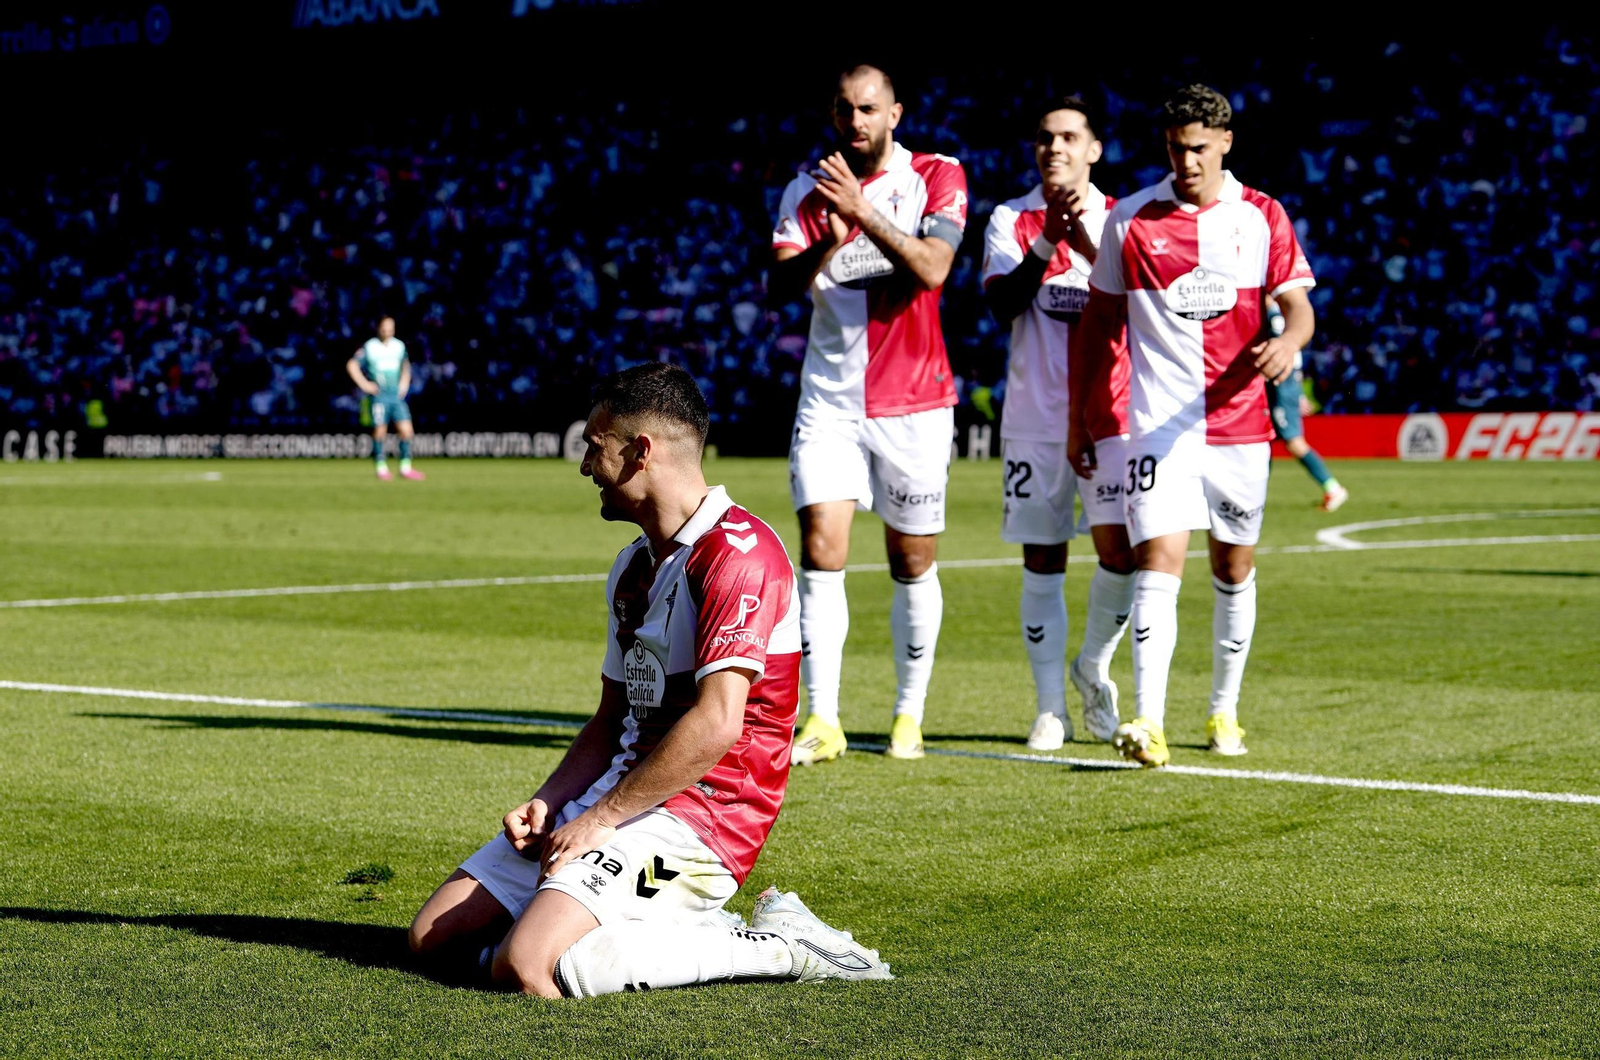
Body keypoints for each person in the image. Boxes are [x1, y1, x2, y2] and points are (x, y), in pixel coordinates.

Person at [407, 363, 891, 997]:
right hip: (626, 790)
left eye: (594, 446)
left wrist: (600, 819)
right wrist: (550, 801)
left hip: (709, 811)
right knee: (434, 939)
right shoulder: (633, 566)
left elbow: (718, 723)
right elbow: (612, 720)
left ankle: (783, 947)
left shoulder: (739, 555)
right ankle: (626, 926)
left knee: (526, 967)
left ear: (640, 452)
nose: (585, 466)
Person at [1072, 84, 1317, 766]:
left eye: (1200, 148)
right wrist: (1084, 417)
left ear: (1226, 143)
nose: (1187, 161)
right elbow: (1098, 327)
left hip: (1239, 427)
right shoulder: (1130, 219)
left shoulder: (1262, 215)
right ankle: (1147, 721)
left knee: (1233, 567)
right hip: (1156, 426)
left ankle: (1223, 708)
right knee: (1159, 560)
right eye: (1176, 148)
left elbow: (1299, 307)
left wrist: (1290, 341)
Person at [770, 63, 968, 764]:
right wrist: (827, 238)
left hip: (914, 403)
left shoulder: (937, 176)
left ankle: (908, 714)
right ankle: (823, 719)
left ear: (894, 114)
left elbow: (933, 268)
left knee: (912, 560)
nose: (855, 120)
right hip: (829, 400)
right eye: (844, 109)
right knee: (821, 550)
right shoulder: (805, 189)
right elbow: (778, 285)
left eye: (868, 108)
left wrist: (861, 214)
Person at [983, 97, 1136, 751]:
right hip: (1035, 418)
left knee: (1123, 554)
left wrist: (1086, 246)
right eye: (1046, 138)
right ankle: (1050, 708)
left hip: (1113, 415)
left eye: (1070, 137)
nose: (1055, 148)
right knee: (1042, 559)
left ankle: (1091, 665)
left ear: (1094, 150)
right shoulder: (1010, 218)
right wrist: (1047, 240)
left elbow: (1140, 310)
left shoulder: (1125, 218)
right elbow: (1002, 305)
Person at [1263, 295, 1348, 511]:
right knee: (1264, 441)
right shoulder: (1278, 315)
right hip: (1281, 384)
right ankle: (1256, 495)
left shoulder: (1274, 316)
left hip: (1281, 383)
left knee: (1293, 441)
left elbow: (1284, 352)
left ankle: (1332, 487)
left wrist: (1292, 389)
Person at [347, 316, 424, 481]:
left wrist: (404, 383)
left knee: (407, 431)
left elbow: (405, 366)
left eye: (390, 326)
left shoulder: (399, 346)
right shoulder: (370, 346)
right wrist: (364, 384)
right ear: (378, 327)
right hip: (379, 395)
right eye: (384, 326)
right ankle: (381, 467)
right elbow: (352, 365)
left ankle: (405, 467)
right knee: (380, 431)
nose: (387, 330)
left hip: (396, 395)